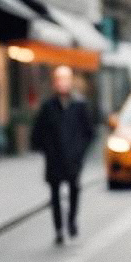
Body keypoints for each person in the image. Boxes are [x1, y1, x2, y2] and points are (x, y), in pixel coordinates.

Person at [30, 65, 95, 247]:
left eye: (66, 80)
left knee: (74, 189)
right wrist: (47, 150)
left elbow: (89, 132)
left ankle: (72, 220)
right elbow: (38, 134)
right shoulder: (48, 107)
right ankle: (58, 228)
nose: (62, 84)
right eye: (59, 80)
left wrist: (80, 152)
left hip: (73, 158)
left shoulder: (79, 105)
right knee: (55, 195)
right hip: (54, 159)